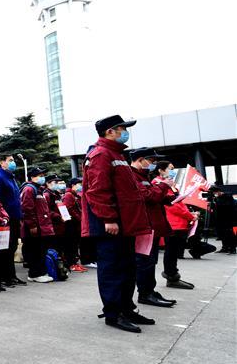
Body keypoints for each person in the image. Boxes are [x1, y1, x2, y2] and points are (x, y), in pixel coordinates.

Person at [81, 114, 154, 333]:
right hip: (110, 225)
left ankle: (127, 308)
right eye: (122, 128)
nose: (125, 132)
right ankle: (114, 314)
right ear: (109, 131)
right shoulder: (101, 154)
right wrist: (109, 218)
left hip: (125, 223)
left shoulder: (117, 154)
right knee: (113, 269)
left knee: (128, 268)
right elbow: (97, 191)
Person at [129, 149, 177, 308]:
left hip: (152, 225)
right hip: (144, 226)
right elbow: (148, 196)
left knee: (150, 260)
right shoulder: (132, 175)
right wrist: (163, 186)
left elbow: (153, 197)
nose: (153, 165)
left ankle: (150, 291)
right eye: (151, 161)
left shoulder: (143, 176)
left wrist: (170, 197)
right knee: (145, 261)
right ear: (141, 159)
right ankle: (145, 293)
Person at [157, 162, 196, 289]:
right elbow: (173, 206)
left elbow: (179, 203)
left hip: (178, 223)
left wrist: (190, 214)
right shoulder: (159, 184)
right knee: (171, 251)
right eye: (171, 169)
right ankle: (171, 275)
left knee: (173, 251)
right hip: (172, 223)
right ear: (161, 171)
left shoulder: (170, 185)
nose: (173, 171)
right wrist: (190, 216)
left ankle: (172, 275)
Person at [0, 155, 27, 286]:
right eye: (10, 160)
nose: (13, 163)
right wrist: (2, 217)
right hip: (6, 219)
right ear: (2, 163)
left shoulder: (11, 177)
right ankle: (5, 277)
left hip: (15, 218)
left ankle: (12, 275)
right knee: (5, 249)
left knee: (11, 247)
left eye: (13, 160)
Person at [19, 166, 55, 283]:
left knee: (40, 251)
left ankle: (40, 272)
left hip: (42, 226)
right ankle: (35, 273)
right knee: (35, 251)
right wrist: (32, 225)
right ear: (32, 177)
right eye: (40, 176)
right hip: (35, 227)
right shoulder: (29, 189)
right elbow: (27, 209)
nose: (42, 178)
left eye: (43, 175)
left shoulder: (39, 189)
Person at [61, 178, 87, 272]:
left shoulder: (74, 195)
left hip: (75, 224)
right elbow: (69, 209)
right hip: (71, 224)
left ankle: (75, 263)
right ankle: (71, 264)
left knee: (74, 245)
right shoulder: (69, 195)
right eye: (79, 184)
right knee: (71, 245)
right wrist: (79, 218)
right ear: (73, 185)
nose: (80, 186)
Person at [44, 174, 68, 261]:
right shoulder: (47, 195)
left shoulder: (56, 194)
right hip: (53, 225)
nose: (57, 184)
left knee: (60, 246)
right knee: (54, 247)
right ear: (48, 183)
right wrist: (58, 216)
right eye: (55, 182)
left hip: (60, 225)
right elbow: (46, 210)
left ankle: (61, 266)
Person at [209, 185, 236, 254]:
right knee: (222, 234)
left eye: (214, 192)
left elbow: (227, 206)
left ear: (218, 191)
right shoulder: (216, 198)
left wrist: (216, 201)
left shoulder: (227, 196)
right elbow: (214, 208)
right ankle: (225, 247)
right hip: (219, 219)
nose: (214, 194)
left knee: (229, 234)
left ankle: (232, 249)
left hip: (228, 219)